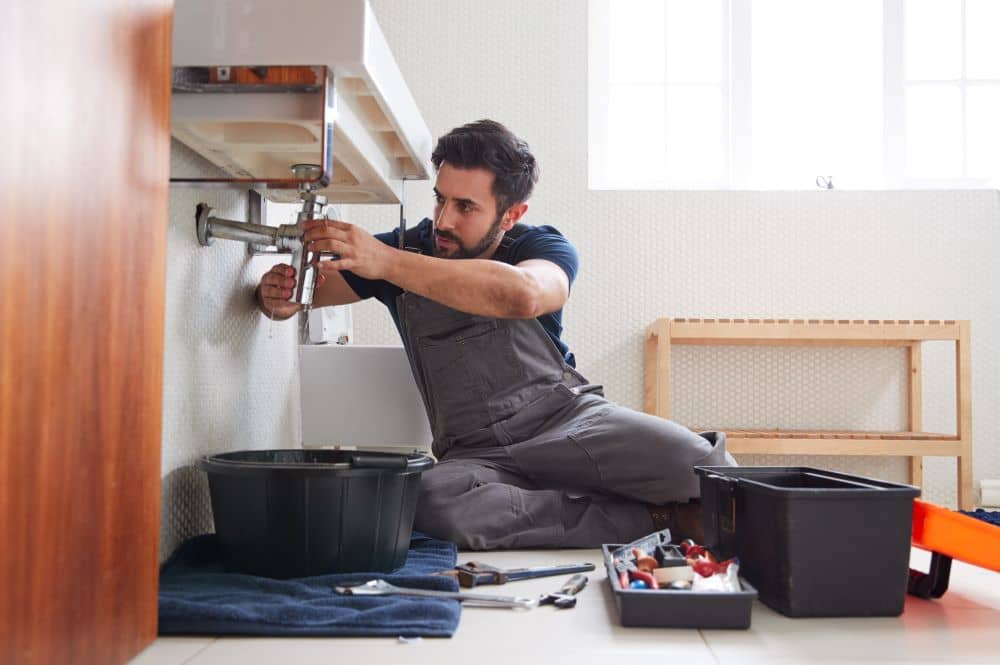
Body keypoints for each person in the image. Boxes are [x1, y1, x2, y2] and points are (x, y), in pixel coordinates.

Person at [256, 119, 735, 549]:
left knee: (707, 470)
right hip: (475, 452)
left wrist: (388, 262)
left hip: (567, 421)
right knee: (427, 502)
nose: (443, 221)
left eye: (466, 206)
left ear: (511, 214)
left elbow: (526, 294)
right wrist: (276, 295)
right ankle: (653, 518)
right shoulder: (411, 247)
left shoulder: (540, 245)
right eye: (440, 199)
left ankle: (559, 501)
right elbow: (308, 294)